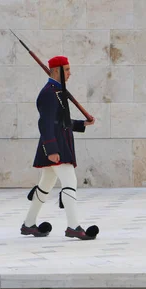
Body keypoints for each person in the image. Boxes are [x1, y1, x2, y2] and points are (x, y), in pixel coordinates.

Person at [21, 55, 99, 240]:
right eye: (67, 70)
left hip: (61, 143)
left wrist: (82, 124)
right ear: (56, 71)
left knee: (45, 185)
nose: (70, 73)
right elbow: (45, 124)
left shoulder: (57, 91)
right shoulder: (48, 93)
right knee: (70, 182)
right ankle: (73, 227)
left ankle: (28, 224)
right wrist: (52, 150)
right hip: (56, 146)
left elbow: (60, 122)